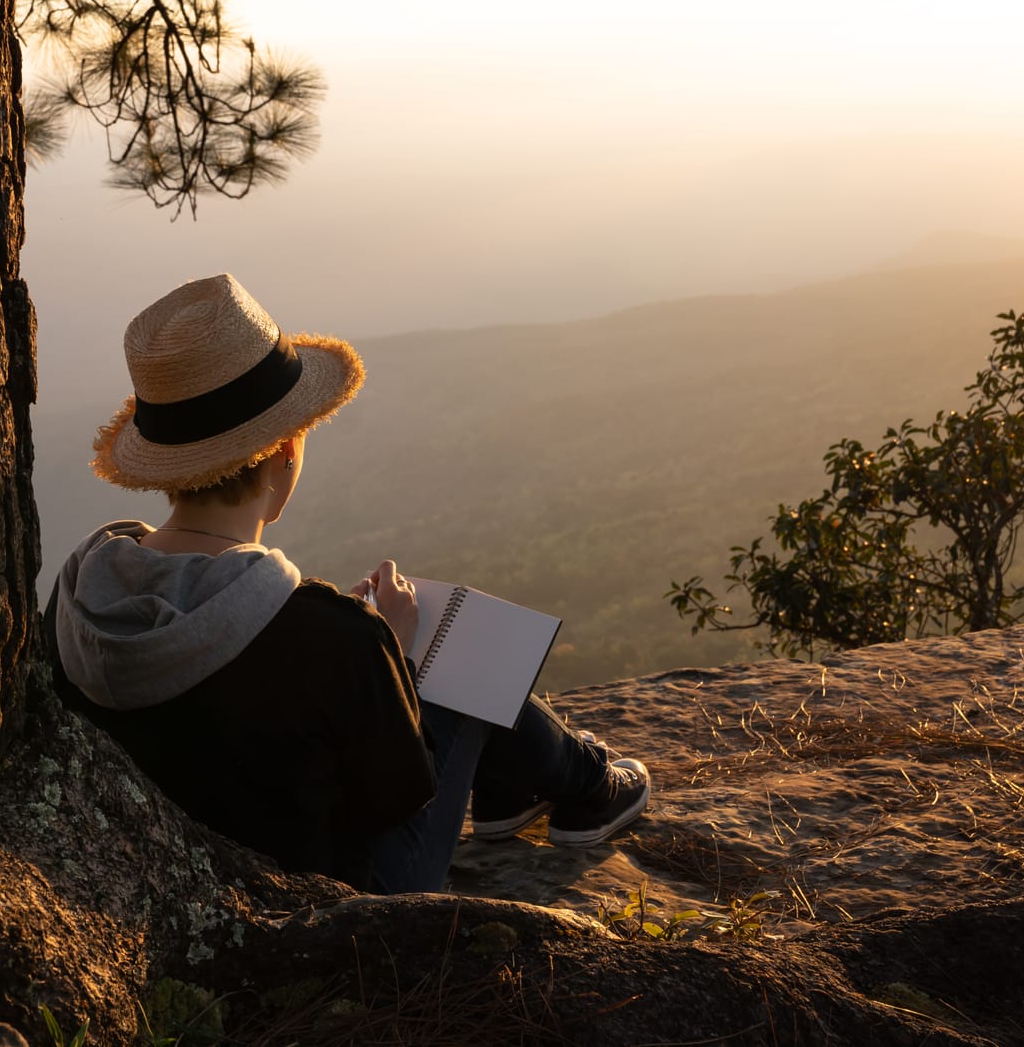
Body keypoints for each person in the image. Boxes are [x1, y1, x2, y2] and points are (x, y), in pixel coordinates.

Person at [41, 273, 650, 893]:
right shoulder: (332, 632)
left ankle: (521, 790)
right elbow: (396, 794)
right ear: (286, 449)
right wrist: (396, 655)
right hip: (339, 897)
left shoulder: (78, 601)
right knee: (461, 641)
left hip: (165, 879)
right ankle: (587, 785)